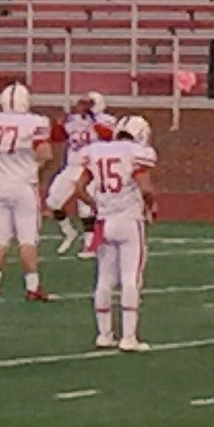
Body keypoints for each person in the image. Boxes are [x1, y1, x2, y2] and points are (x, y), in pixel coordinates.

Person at [75, 114, 157, 351]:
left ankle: (104, 334)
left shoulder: (97, 150)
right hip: (129, 221)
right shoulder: (136, 153)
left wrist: (96, 205)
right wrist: (151, 206)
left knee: (104, 278)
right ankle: (129, 337)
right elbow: (145, 188)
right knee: (131, 278)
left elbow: (79, 188)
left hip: (104, 222)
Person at [0, 82, 55, 302]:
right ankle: (32, 287)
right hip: (23, 186)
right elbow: (46, 154)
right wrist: (36, 170)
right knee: (27, 240)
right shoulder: (35, 122)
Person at [48, 92, 112, 254]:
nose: (81, 106)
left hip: (91, 168)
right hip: (72, 166)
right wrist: (58, 124)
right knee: (53, 202)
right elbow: (56, 138)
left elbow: (109, 136)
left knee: (85, 208)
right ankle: (69, 232)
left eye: (86, 103)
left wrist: (92, 117)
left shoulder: (106, 120)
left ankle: (90, 243)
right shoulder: (73, 120)